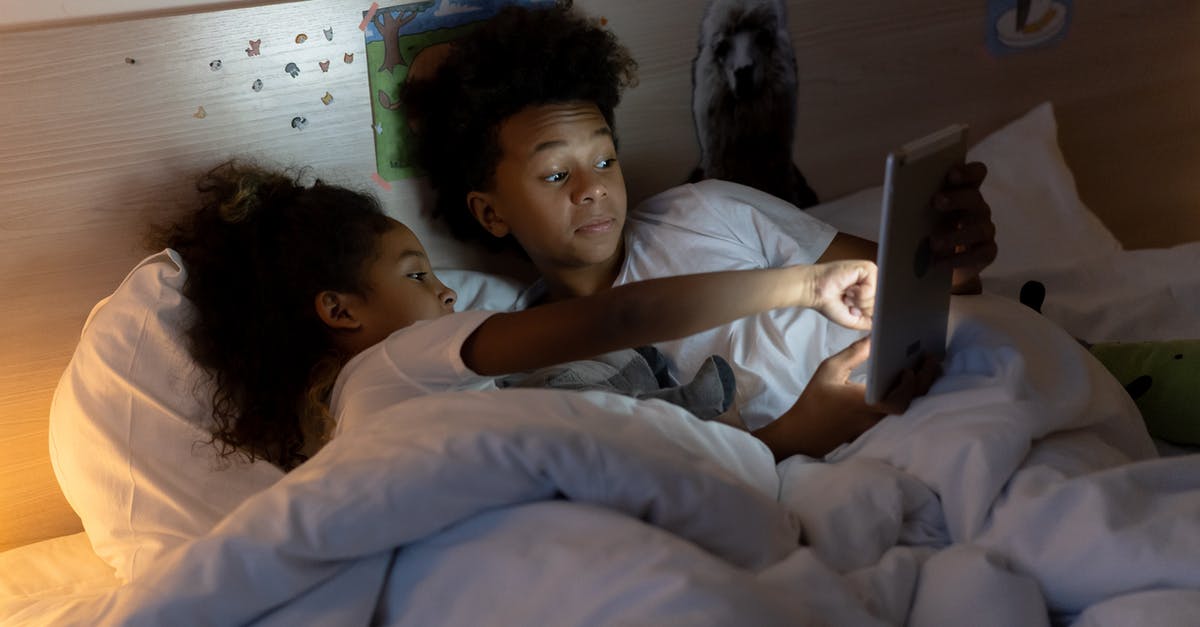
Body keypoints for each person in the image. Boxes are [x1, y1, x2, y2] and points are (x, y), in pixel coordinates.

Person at [400, 4, 999, 458]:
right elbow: (663, 484)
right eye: (557, 173)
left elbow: (929, 291)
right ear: (491, 213)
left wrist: (958, 258)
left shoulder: (710, 212)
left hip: (933, 410)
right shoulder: (539, 356)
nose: (593, 188)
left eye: (605, 160)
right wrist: (799, 434)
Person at [158, 160, 878, 470]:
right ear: (340, 309)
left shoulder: (365, 421)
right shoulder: (396, 365)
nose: (448, 296)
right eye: (416, 274)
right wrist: (807, 287)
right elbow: (621, 319)